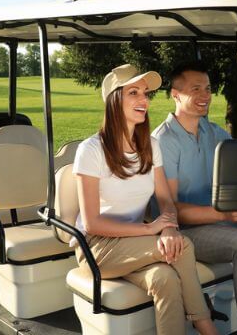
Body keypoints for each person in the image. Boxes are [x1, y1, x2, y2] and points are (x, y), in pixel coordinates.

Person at [72, 64, 218, 335]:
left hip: (134, 244)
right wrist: (151, 229)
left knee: (165, 279)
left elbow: (165, 200)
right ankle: (206, 326)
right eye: (134, 93)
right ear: (114, 100)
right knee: (183, 248)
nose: (144, 100)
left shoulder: (150, 146)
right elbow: (92, 223)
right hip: (97, 249)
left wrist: (170, 228)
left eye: (146, 94)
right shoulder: (91, 150)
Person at [152, 62, 237, 335]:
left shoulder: (215, 133)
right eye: (195, 89)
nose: (205, 95)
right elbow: (170, 209)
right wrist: (221, 215)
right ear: (175, 94)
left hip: (225, 222)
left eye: (208, 89)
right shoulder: (164, 141)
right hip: (188, 232)